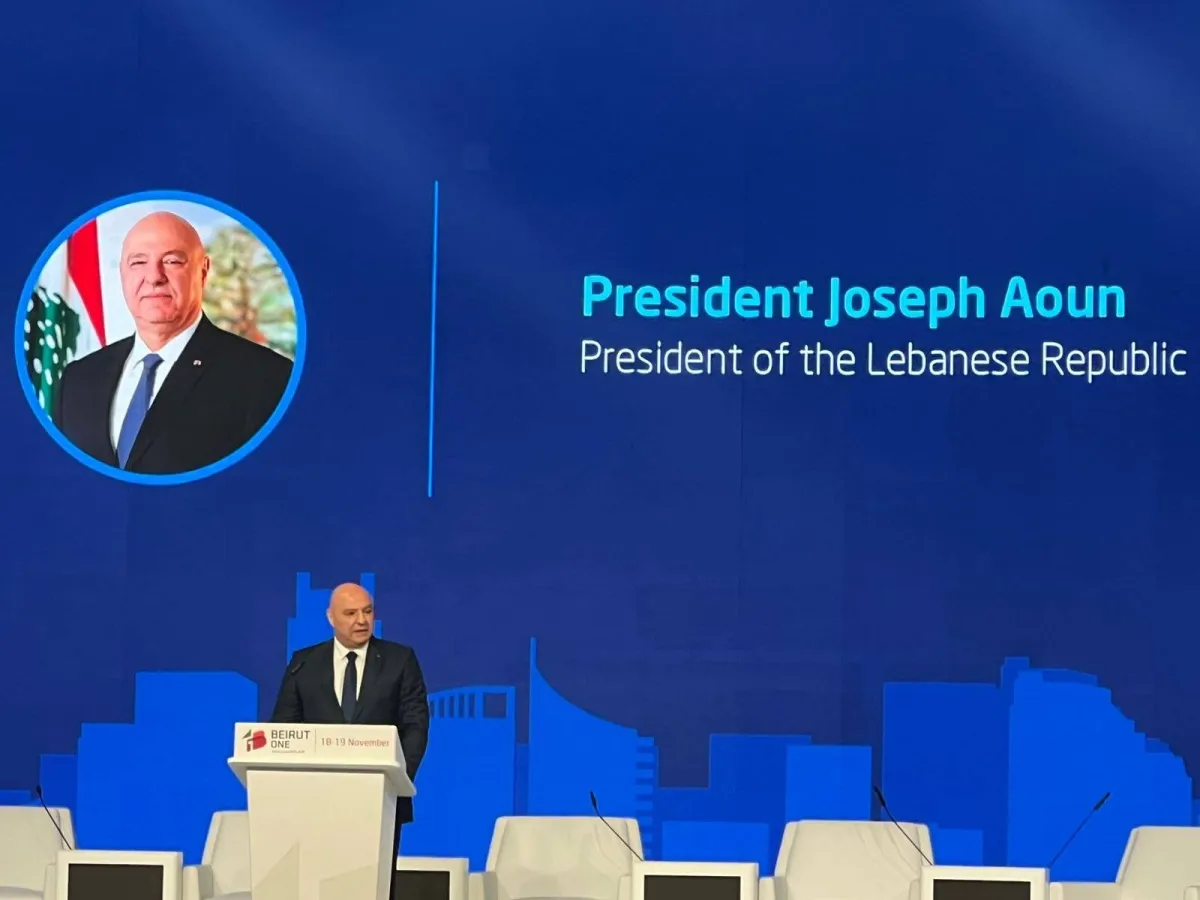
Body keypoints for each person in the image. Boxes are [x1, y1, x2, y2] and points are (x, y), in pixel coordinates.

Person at [51, 210, 292, 475]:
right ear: (122, 273)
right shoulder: (77, 380)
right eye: (138, 262)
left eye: (172, 261)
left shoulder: (267, 378)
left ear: (203, 271)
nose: (154, 277)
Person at [270, 583, 429, 893]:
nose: (361, 620)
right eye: (351, 613)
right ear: (331, 617)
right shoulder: (304, 663)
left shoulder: (399, 660)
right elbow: (283, 728)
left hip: (381, 799)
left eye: (367, 611)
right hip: (315, 801)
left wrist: (397, 779)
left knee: (374, 888)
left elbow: (416, 725)